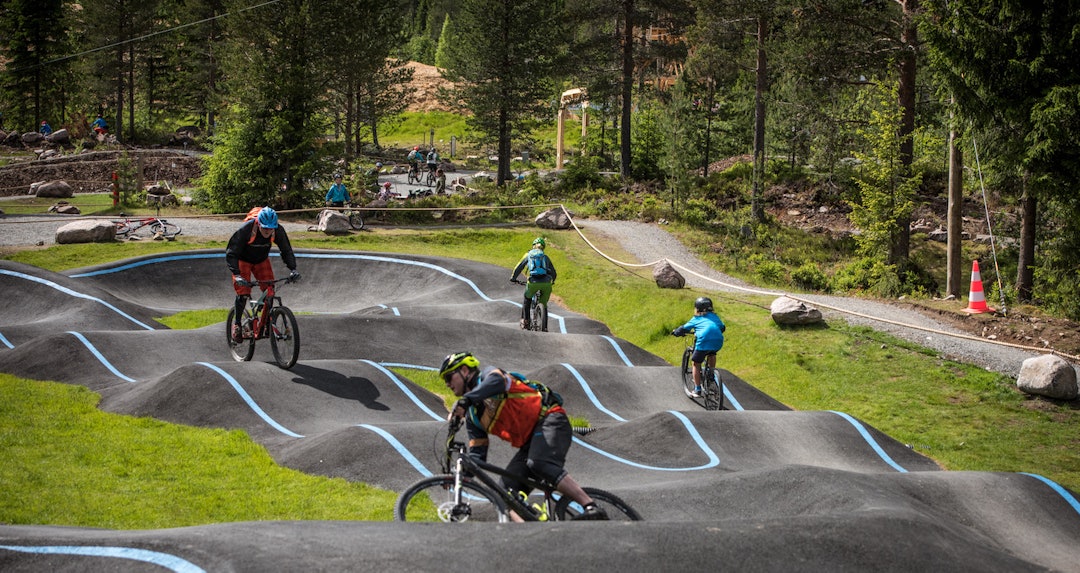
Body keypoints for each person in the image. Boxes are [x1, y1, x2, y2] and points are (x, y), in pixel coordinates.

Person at [438, 351, 608, 521]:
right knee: (503, 494)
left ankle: (590, 506)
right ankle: (532, 531)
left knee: (539, 463)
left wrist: (465, 400)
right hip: (529, 443)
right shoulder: (473, 417)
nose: (447, 384)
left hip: (551, 419)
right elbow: (478, 455)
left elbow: (497, 381)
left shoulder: (489, 377)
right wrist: (461, 475)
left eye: (449, 377)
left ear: (465, 370)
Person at [225, 207, 300, 342]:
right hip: (243, 260)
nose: (268, 231)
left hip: (261, 260)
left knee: (270, 289)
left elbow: (286, 250)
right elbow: (231, 252)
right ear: (259, 224)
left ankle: (265, 323)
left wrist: (293, 269)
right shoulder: (247, 229)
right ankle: (237, 324)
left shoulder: (277, 230)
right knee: (243, 292)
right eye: (265, 228)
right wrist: (236, 274)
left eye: (271, 228)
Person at [671, 296, 726, 397]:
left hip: (704, 340)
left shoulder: (696, 318)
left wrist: (676, 332)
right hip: (718, 341)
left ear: (697, 308)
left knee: (696, 363)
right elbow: (722, 327)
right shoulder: (715, 317)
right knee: (712, 353)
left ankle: (697, 389)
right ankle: (711, 374)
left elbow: (684, 328)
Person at [509, 237, 556, 331]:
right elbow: (554, 272)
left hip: (533, 282)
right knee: (543, 303)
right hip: (546, 284)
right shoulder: (545, 257)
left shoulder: (528, 255)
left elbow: (519, 267)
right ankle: (544, 326)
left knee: (527, 299)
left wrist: (513, 278)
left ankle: (525, 321)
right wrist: (552, 280)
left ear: (533, 246)